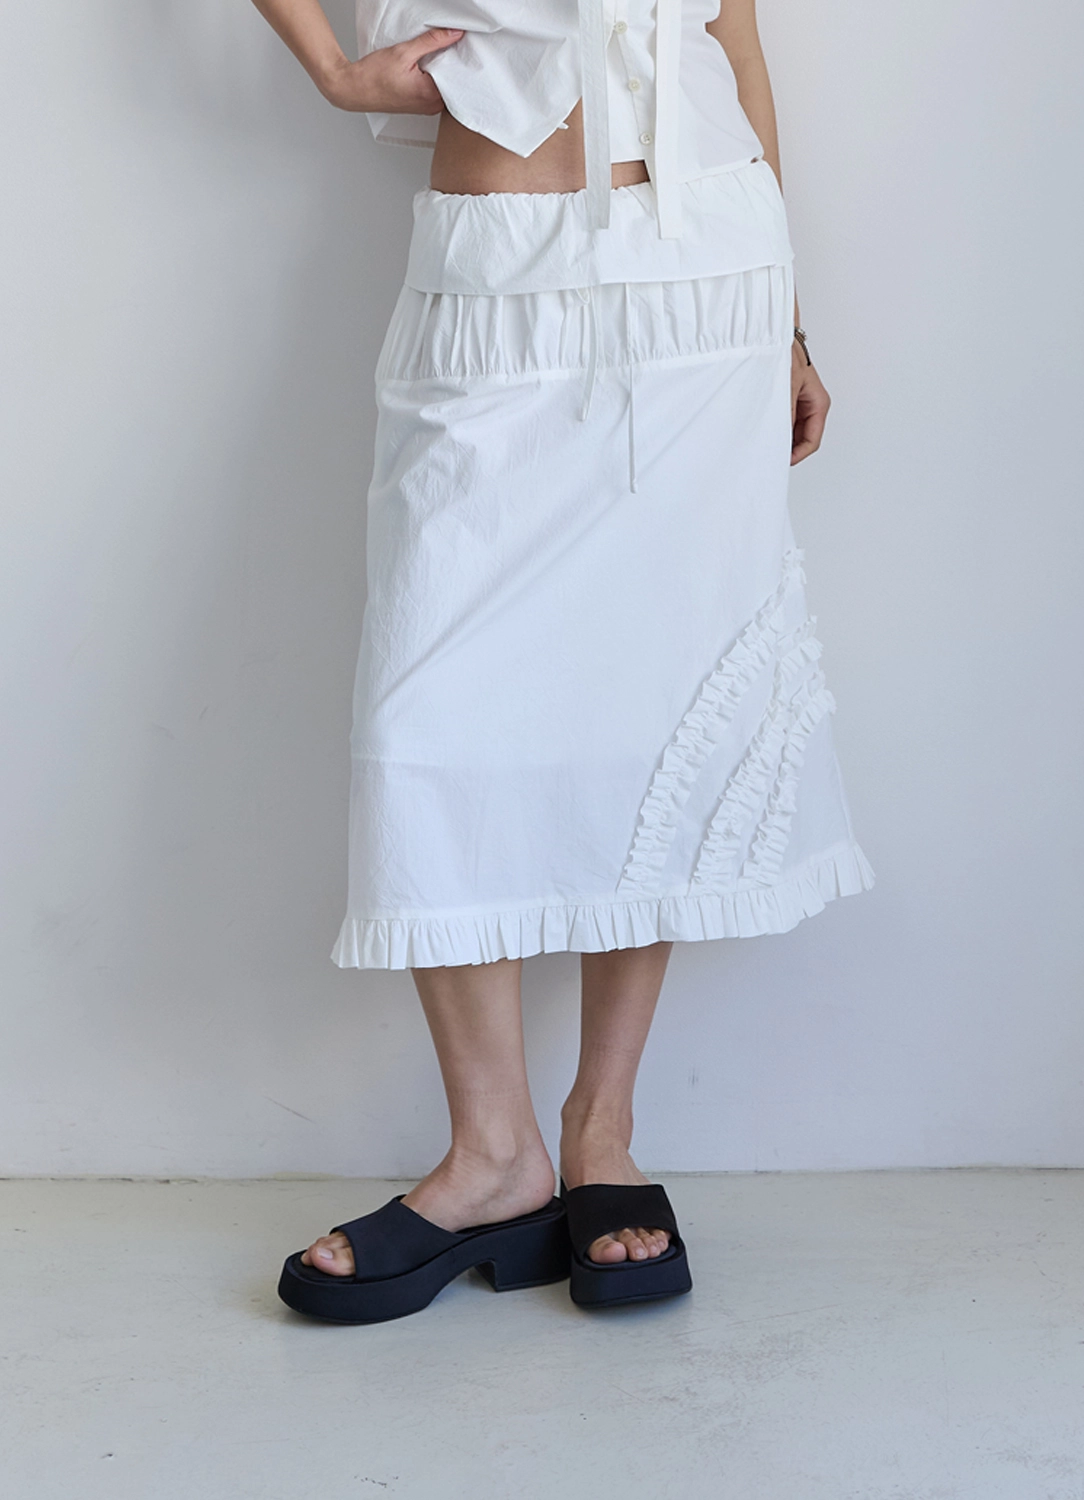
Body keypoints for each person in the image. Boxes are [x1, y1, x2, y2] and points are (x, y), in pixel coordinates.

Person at [255, 0, 874, 1320]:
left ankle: (601, 1131)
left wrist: (789, 324)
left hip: (709, 271)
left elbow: (732, 36)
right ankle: (493, 1152)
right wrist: (330, 67)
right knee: (427, 714)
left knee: (656, 700)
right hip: (497, 268)